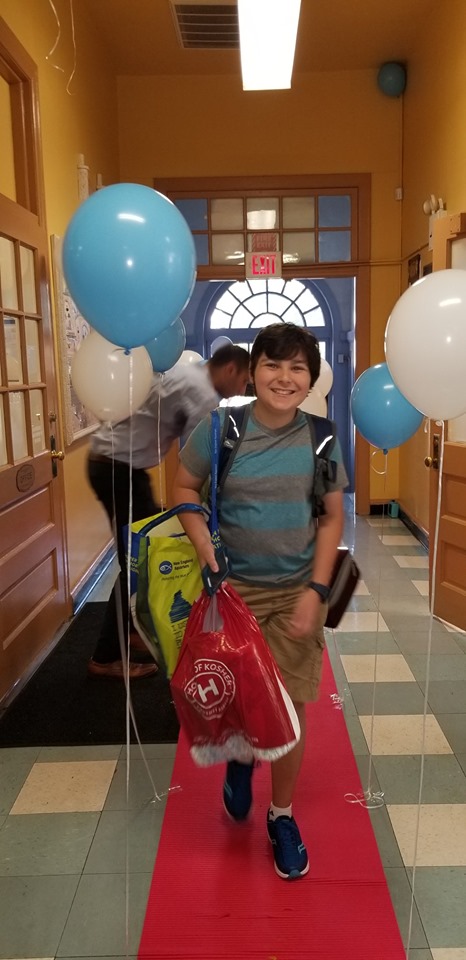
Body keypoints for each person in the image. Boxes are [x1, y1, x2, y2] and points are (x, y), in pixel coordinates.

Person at [172, 323, 348, 880]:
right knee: (245, 699)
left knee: (291, 709)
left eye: (298, 368)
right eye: (273, 364)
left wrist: (318, 590)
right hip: (234, 591)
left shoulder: (321, 437)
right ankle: (242, 762)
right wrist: (202, 545)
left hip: (297, 593)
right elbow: (183, 488)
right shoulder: (222, 429)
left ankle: (282, 816)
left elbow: (332, 518)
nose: (285, 377)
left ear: (311, 379)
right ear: (253, 371)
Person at [87, 344, 250, 679]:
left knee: (142, 553)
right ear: (231, 369)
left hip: (117, 466)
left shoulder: (188, 372)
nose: (243, 389)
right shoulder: (202, 392)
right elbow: (199, 459)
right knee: (137, 560)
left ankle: (132, 631)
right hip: (118, 469)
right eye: (245, 381)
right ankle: (105, 656)